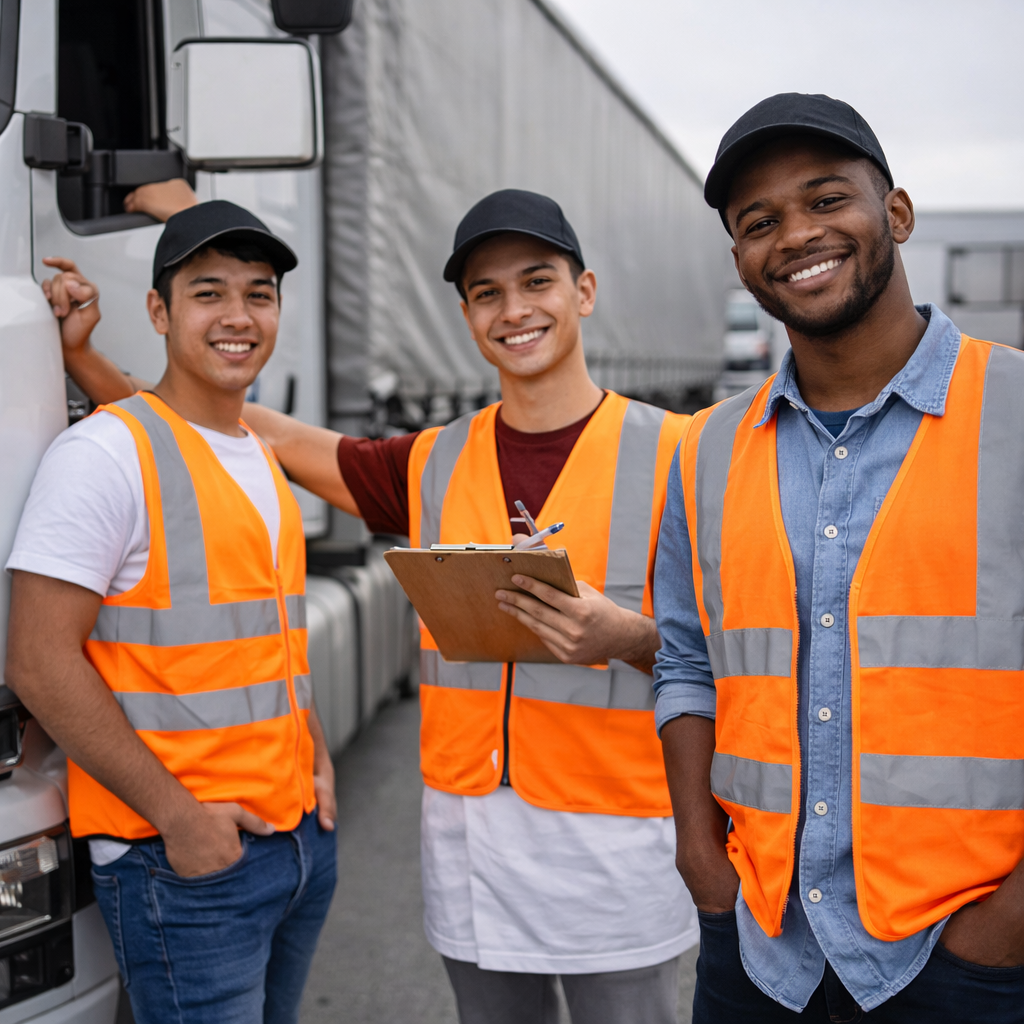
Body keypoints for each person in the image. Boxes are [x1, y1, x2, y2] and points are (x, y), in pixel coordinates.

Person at [55, 187, 699, 1024]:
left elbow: (746, 650)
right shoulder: (429, 463)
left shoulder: (682, 455)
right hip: (473, 846)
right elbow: (233, 424)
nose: (514, 311)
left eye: (536, 282)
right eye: (486, 294)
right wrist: (91, 363)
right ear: (466, 315)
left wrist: (631, 636)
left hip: (616, 848)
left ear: (583, 292)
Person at [654, 92, 1024, 1023]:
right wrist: (700, 853)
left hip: (968, 955)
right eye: (759, 221)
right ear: (740, 259)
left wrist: (1010, 920)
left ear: (894, 212)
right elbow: (688, 660)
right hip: (758, 948)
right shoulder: (705, 450)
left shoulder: (1017, 411)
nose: (795, 235)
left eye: (826, 200)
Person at [5, 201, 338, 1024]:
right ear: (158, 310)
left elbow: (272, 647)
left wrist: (318, 767)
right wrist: (179, 821)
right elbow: (39, 662)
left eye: (259, 295)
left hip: (294, 841)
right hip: (185, 865)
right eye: (209, 292)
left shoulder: (256, 456)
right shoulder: (105, 455)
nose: (238, 316)